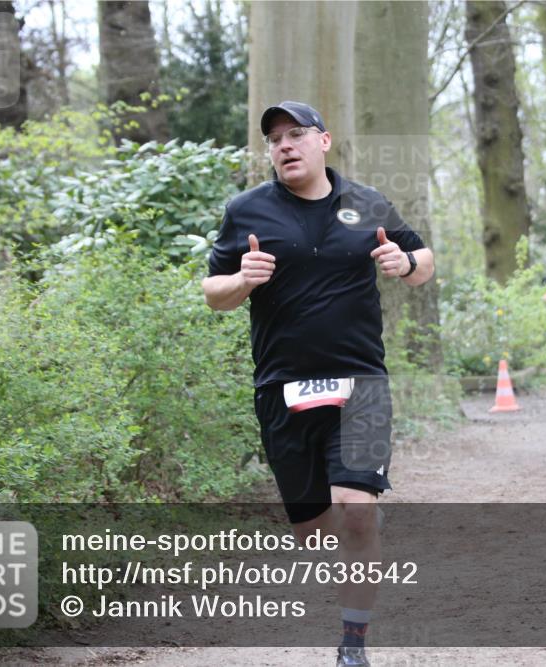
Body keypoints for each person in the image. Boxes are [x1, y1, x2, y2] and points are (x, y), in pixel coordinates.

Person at [202, 101, 435, 667]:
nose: (284, 145)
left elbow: (423, 257)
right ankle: (357, 523)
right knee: (314, 532)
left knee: (354, 508)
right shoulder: (247, 210)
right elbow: (213, 293)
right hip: (282, 389)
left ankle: (353, 643)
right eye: (275, 138)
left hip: (362, 384)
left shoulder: (367, 202)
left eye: (296, 133)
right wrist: (242, 279)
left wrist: (404, 266)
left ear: (323, 142)